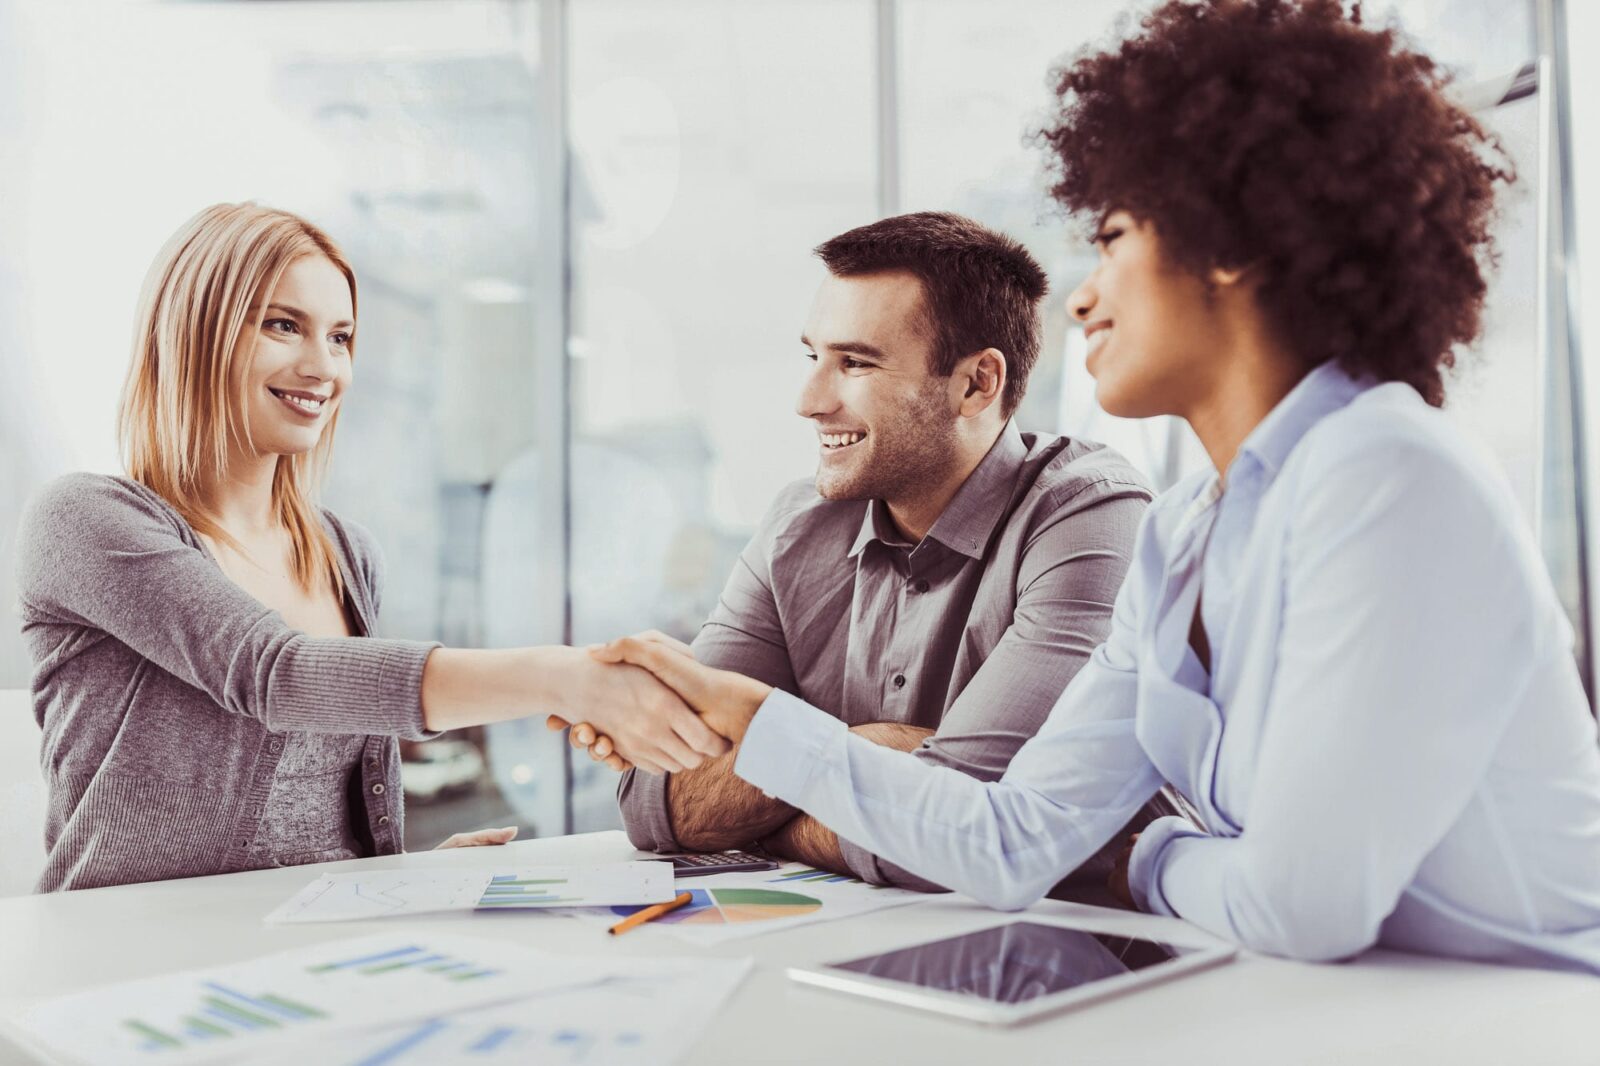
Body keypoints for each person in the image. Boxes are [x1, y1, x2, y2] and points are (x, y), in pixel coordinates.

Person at [586, 0, 1600, 971]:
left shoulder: (1383, 472)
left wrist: (1140, 854)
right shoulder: (1189, 530)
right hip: (1343, 1011)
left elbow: (1300, 906)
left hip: (1529, 1019)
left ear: (1233, 244)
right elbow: (1013, 841)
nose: (1081, 292)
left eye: (1112, 238)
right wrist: (755, 716)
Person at [15, 203, 726, 892]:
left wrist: (399, 873)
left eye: (341, 337)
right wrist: (567, 677)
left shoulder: (343, 553)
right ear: (196, 332)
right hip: (130, 960)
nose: (323, 366)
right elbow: (276, 675)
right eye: (284, 325)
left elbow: (318, 822)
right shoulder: (86, 521)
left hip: (297, 953)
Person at [554, 211, 1171, 892]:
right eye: (813, 357)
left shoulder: (1090, 515)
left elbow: (974, 832)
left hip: (1079, 966)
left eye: (854, 363)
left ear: (976, 384)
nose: (809, 400)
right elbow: (658, 802)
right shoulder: (797, 524)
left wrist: (782, 792)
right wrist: (883, 759)